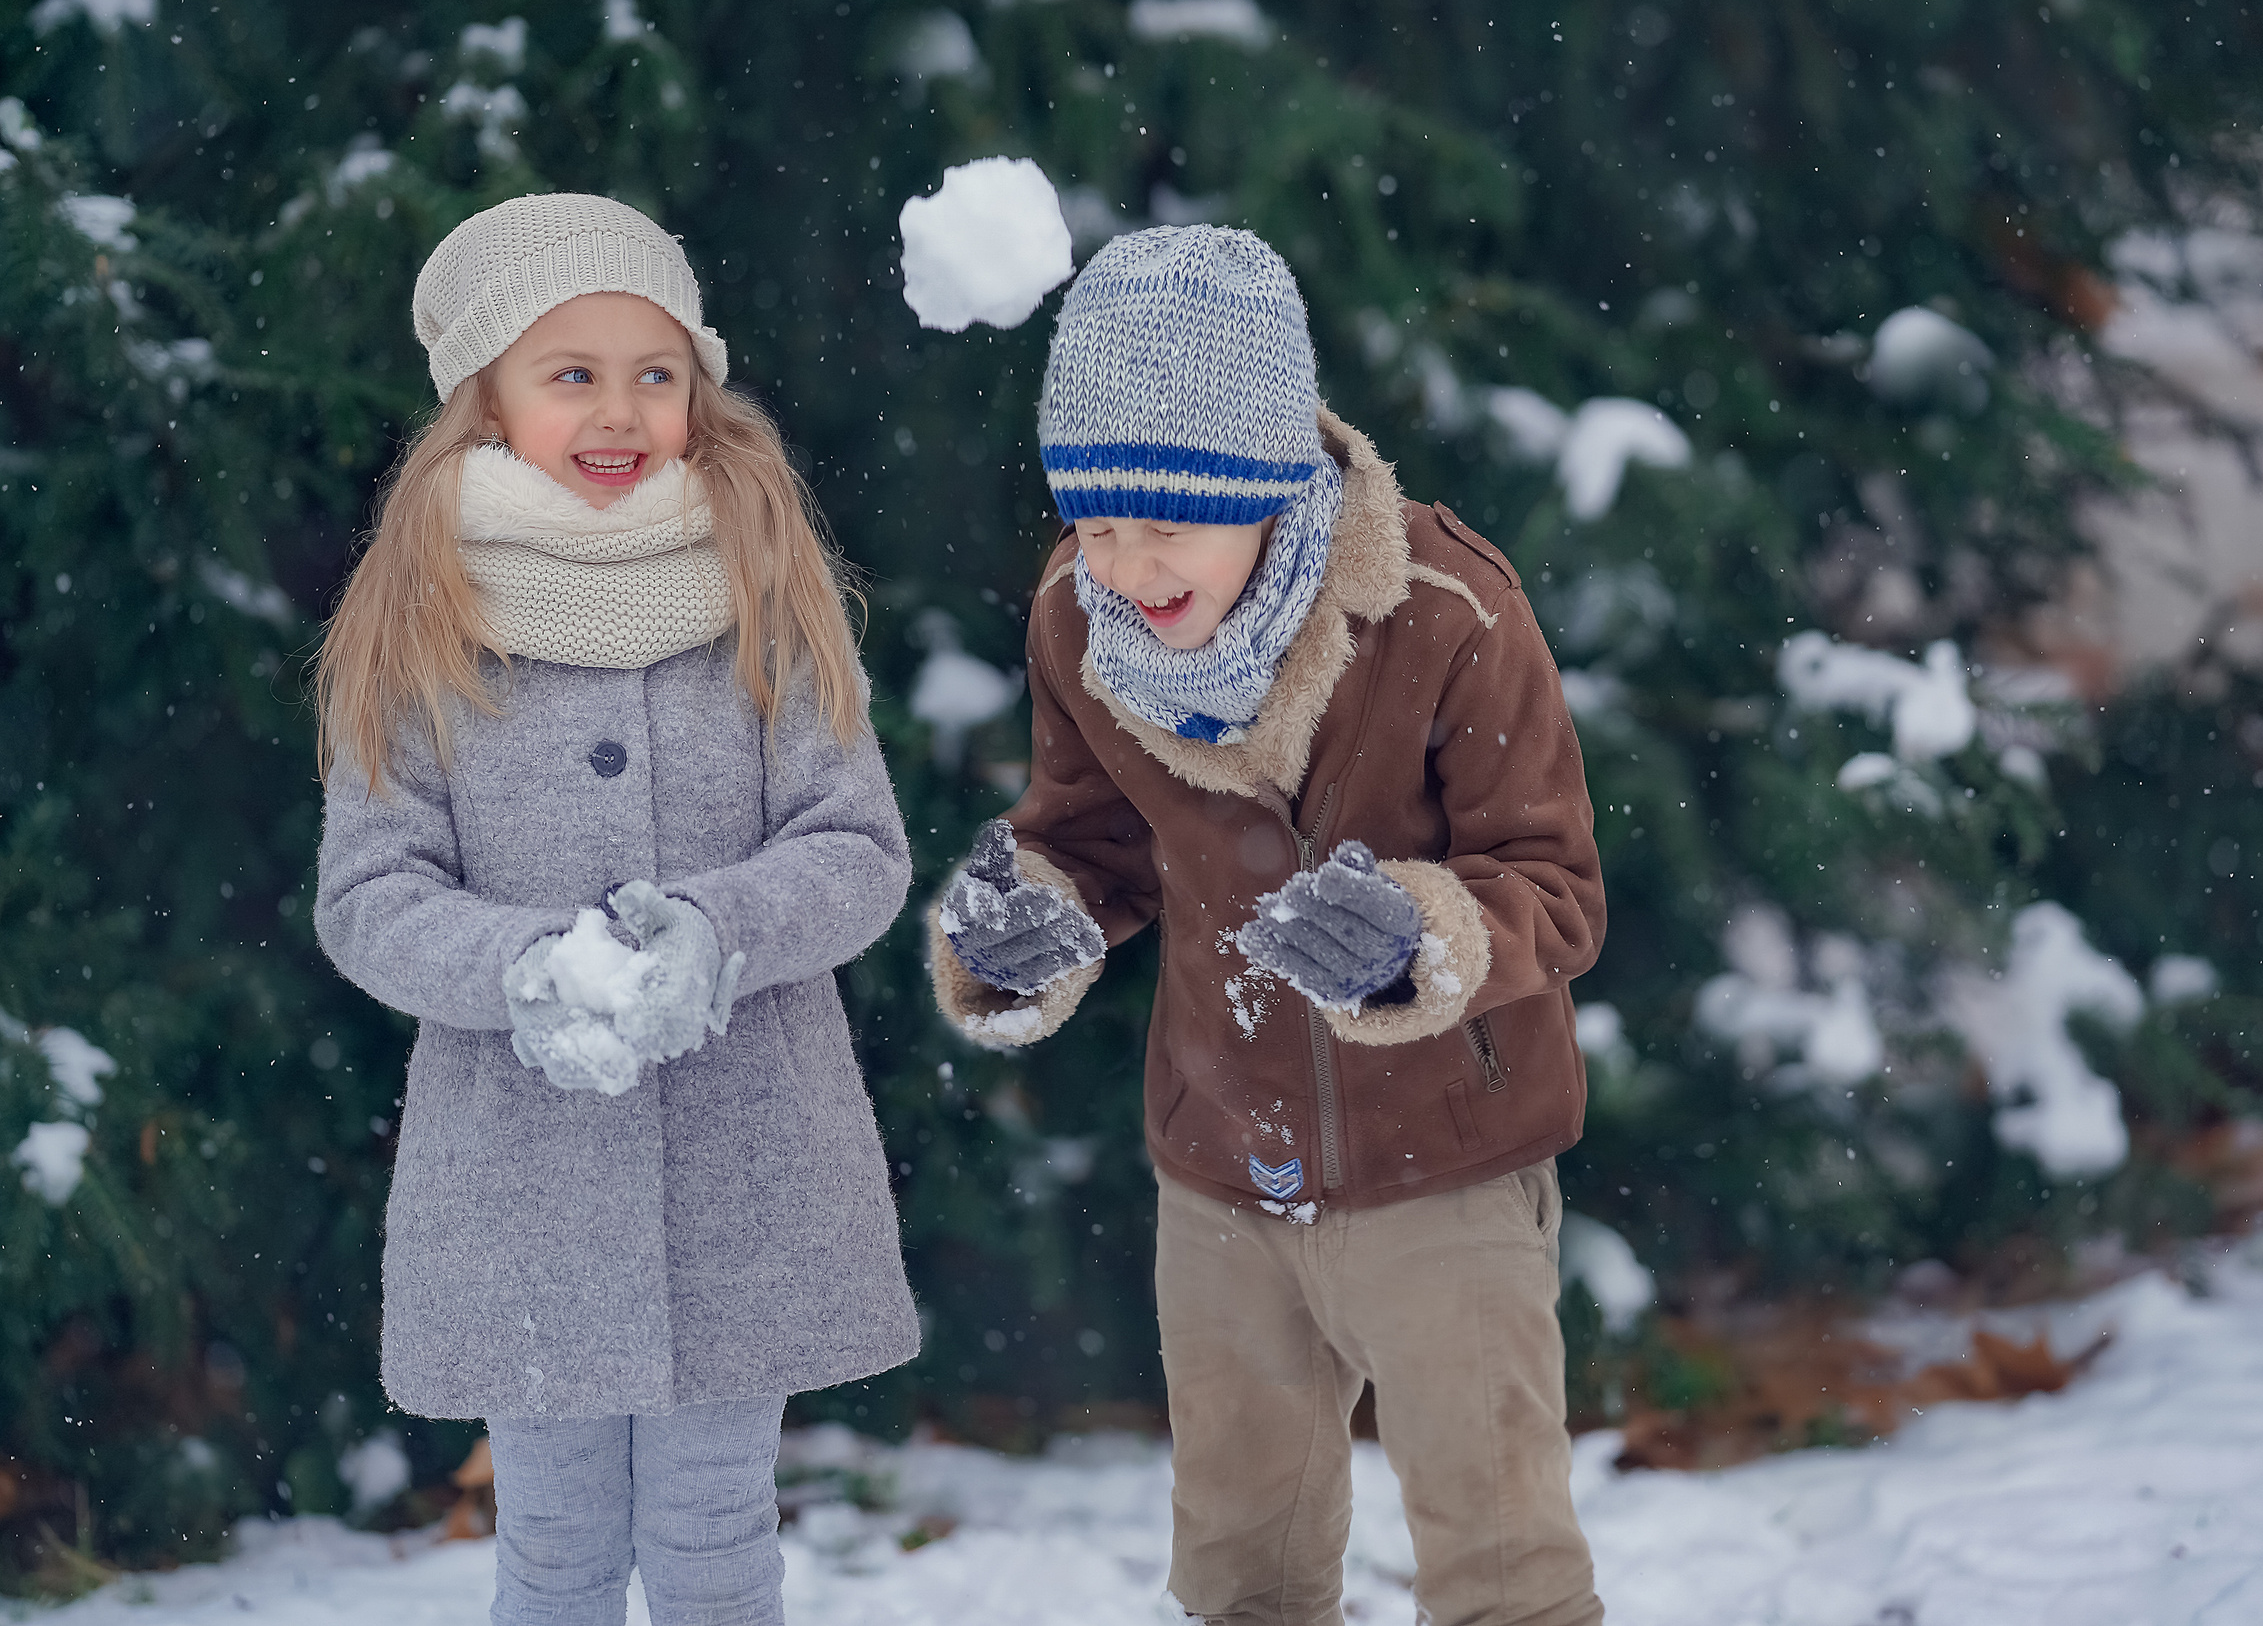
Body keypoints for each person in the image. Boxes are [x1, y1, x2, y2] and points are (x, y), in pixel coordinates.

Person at [930, 224, 1607, 1626]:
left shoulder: (1445, 612)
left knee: (1500, 1564)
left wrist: (1421, 936)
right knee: (1241, 1569)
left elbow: (1554, 882)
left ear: (1266, 490)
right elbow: (1091, 837)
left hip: (1448, 1164)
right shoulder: (1080, 618)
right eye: (1094, 518)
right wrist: (1028, 925)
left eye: (1162, 522)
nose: (1122, 564)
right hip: (1223, 1160)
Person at [312, 193, 915, 1626]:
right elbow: (371, 894)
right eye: (569, 372)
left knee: (716, 1537)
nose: (620, 408)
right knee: (560, 1551)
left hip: (745, 1166)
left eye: (656, 372)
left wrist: (722, 926)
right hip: (521, 1183)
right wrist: (523, 966)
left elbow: (858, 846)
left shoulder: (767, 587)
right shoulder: (416, 624)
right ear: (486, 401)